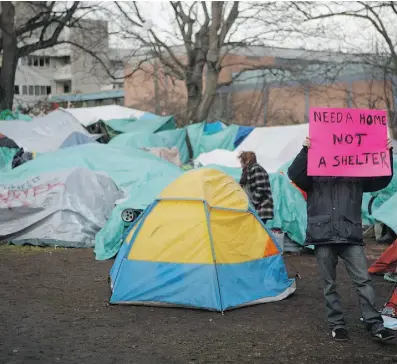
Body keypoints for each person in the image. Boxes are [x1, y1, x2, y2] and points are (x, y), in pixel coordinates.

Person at [288, 137, 395, 343]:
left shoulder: (356, 171)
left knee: (363, 281)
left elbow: (380, 179)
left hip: (350, 234)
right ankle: (337, 325)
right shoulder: (313, 170)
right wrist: (305, 150)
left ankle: (375, 324)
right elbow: (294, 173)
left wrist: (386, 153)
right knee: (329, 283)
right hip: (323, 235)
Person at [238, 151, 273, 225]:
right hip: (256, 207)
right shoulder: (247, 172)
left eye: (242, 161)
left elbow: (260, 188)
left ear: (247, 161)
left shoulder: (256, 169)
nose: (241, 164)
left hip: (261, 207)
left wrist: (254, 202)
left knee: (258, 230)